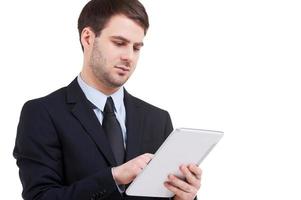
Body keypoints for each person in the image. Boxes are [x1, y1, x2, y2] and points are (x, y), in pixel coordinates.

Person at [13, 0, 202, 199]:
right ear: (88, 38)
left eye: (136, 47)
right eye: (119, 43)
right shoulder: (43, 113)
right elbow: (40, 197)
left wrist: (183, 195)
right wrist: (114, 177)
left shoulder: (157, 119)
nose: (129, 56)